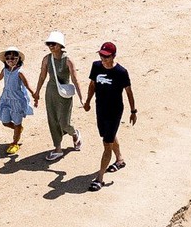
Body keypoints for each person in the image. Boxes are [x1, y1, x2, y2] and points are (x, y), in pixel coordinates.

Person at [82, 41, 137, 192]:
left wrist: (133, 111)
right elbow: (92, 84)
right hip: (100, 109)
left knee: (107, 143)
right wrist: (87, 101)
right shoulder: (96, 66)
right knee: (108, 136)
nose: (103, 59)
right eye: (101, 55)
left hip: (114, 111)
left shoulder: (121, 72)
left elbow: (129, 92)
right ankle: (120, 160)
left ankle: (99, 178)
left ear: (113, 56)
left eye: (107, 56)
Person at [32, 32, 83, 156]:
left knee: (64, 122)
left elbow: (75, 79)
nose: (51, 46)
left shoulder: (68, 60)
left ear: (60, 45)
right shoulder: (46, 59)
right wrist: (37, 92)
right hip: (51, 92)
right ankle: (58, 148)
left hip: (64, 93)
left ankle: (74, 133)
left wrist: (82, 98)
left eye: (53, 44)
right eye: (49, 44)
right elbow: (42, 76)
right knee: (53, 120)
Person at [0, 47, 36, 156]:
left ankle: (15, 143)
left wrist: (34, 93)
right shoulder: (5, 70)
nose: (10, 60)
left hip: (17, 101)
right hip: (6, 99)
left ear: (18, 59)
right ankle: (18, 128)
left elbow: (26, 84)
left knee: (17, 122)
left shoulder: (20, 72)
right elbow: (0, 77)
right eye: (8, 58)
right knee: (5, 121)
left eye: (13, 58)